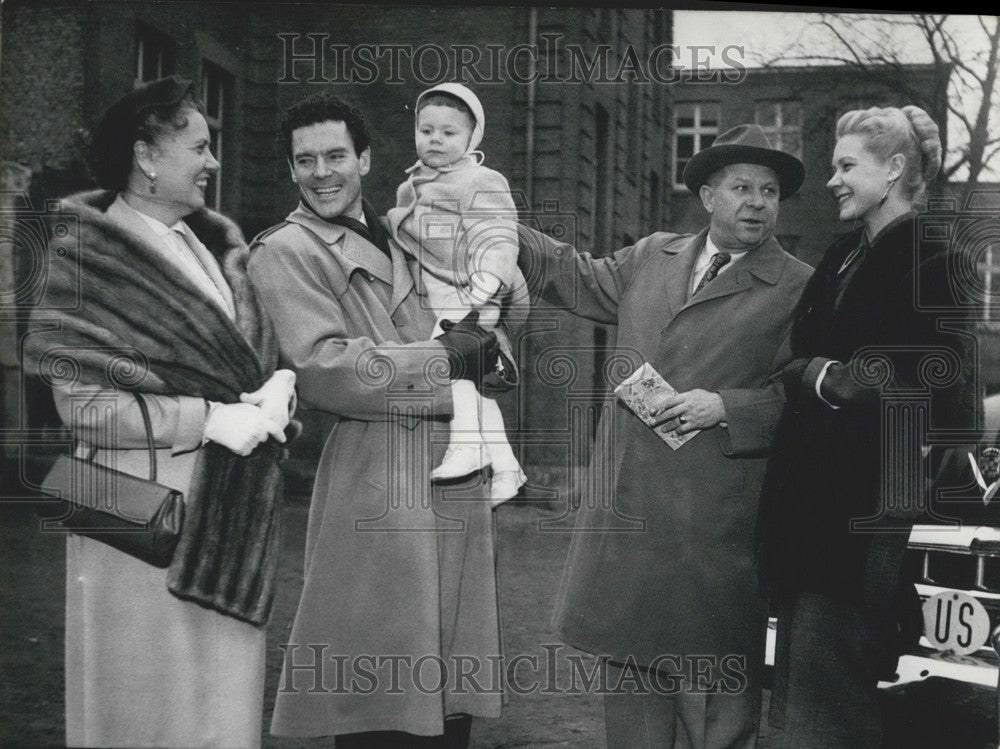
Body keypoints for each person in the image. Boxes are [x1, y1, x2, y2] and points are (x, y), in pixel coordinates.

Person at [518, 124, 813, 748]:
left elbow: (806, 395)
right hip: (631, 525)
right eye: (741, 187)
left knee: (716, 712)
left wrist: (727, 406)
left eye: (768, 190)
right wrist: (490, 222)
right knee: (634, 709)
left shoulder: (798, 286)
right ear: (708, 196)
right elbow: (574, 274)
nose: (757, 201)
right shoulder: (654, 254)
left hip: (714, 533)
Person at [24, 76, 297, 748]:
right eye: (200, 146)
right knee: (143, 710)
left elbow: (233, 364)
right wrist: (205, 419)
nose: (214, 161)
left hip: (223, 519)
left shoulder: (205, 247)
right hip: (135, 519)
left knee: (217, 712)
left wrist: (272, 389)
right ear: (147, 155)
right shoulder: (86, 257)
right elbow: (84, 407)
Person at [246, 93, 505, 747]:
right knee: (379, 706)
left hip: (449, 485)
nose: (321, 171)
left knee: (449, 710)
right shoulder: (285, 250)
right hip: (373, 487)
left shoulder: (411, 230)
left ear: (364, 158)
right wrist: (451, 360)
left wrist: (491, 350)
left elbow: (477, 309)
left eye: (336, 154)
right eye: (305, 160)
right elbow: (325, 367)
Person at [757, 106, 979, 748]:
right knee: (807, 696)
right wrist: (816, 373)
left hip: (865, 521)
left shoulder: (933, 255)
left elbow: (951, 402)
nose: (833, 180)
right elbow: (790, 357)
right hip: (811, 514)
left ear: (895, 170)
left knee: (835, 707)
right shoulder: (843, 254)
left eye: (847, 166)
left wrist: (828, 377)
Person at [387, 82, 528, 503]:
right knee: (468, 380)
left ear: (471, 138)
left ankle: (467, 448)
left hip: (468, 292)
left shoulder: (480, 179)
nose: (435, 139)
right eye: (426, 129)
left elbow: (500, 235)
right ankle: (507, 468)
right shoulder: (414, 183)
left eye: (449, 133)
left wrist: (489, 282)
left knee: (451, 368)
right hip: (435, 292)